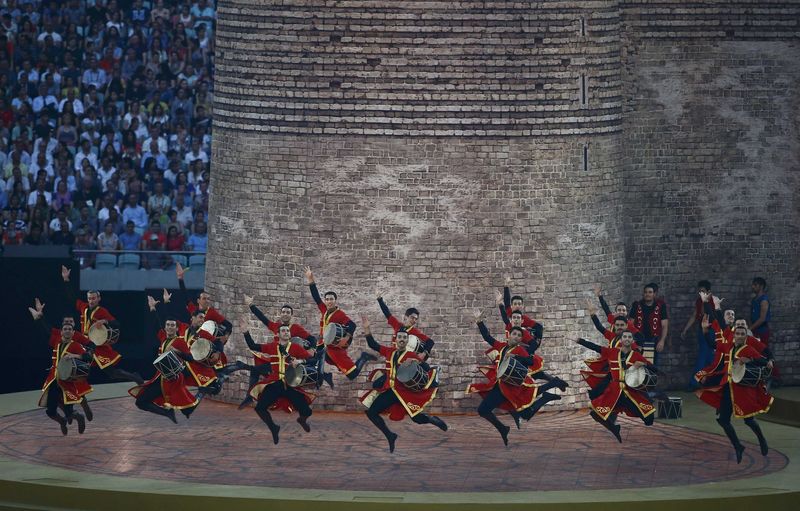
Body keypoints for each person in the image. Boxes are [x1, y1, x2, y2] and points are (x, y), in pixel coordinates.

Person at [467, 311, 563, 445]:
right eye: (514, 334)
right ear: (509, 336)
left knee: (520, 413)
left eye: (519, 335)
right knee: (487, 411)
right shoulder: (501, 346)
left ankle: (552, 384)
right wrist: (479, 321)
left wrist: (515, 357)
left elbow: (530, 361)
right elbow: (487, 337)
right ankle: (503, 428)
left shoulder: (520, 350)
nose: (517, 337)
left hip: (513, 387)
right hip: (501, 386)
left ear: (520, 339)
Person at [359, 315, 447, 453]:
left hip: (405, 393)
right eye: (399, 337)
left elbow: (426, 369)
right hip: (391, 391)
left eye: (404, 338)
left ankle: (431, 419)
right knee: (371, 413)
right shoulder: (389, 352)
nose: (401, 339)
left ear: (407, 341)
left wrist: (416, 363)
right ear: (396, 339)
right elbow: (373, 345)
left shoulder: (411, 356)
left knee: (417, 419)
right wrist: (367, 329)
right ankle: (390, 435)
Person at [695, 320, 773, 463]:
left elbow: (762, 361)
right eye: (737, 333)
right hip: (728, 387)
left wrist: (755, 361)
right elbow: (713, 344)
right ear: (734, 335)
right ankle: (738, 446)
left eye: (742, 334)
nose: (739, 336)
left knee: (748, 420)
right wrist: (705, 331)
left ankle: (761, 438)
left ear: (745, 336)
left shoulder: (749, 349)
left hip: (742, 390)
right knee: (723, 420)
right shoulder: (729, 347)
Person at [61, 265, 143, 384]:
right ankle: (75, 396)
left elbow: (116, 324)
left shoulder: (101, 311)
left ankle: (135, 377)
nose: (91, 301)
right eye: (89, 298)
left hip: (97, 346)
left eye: (93, 298)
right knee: (77, 371)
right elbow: (72, 298)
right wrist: (66, 279)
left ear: (99, 298)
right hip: (84, 343)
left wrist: (105, 321)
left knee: (112, 373)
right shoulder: (83, 307)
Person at [129, 296, 200, 422]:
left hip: (173, 381)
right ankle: (167, 413)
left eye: (173, 325)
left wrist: (177, 351)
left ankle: (203, 392)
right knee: (140, 402)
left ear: (177, 328)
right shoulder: (163, 338)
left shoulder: (180, 342)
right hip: (160, 378)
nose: (170, 327)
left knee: (188, 409)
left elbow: (191, 358)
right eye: (168, 325)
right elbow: (157, 325)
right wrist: (152, 308)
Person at [576, 331, 657, 442]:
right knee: (595, 413)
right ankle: (614, 428)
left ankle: (619, 415)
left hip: (630, 392)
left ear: (632, 341)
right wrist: (581, 341)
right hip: (614, 391)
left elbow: (653, 367)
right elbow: (596, 348)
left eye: (629, 337)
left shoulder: (636, 355)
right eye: (625, 337)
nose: (627, 339)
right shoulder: (612, 352)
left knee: (649, 420)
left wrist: (644, 363)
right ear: (621, 340)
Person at [244, 323, 315, 444]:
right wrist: (245, 332)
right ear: (278, 334)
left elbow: (312, 360)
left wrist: (300, 360)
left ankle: (302, 420)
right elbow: (253, 345)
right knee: (260, 408)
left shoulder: (296, 348)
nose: (286, 332)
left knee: (307, 411)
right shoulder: (272, 347)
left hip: (290, 384)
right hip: (274, 383)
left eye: (287, 330)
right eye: (283, 331)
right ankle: (273, 428)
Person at [29, 299, 92, 435]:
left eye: (70, 329)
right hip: (54, 381)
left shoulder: (75, 345)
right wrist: (40, 318)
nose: (67, 331)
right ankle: (62, 422)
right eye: (65, 329)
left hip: (67, 383)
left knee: (69, 412)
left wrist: (75, 356)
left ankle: (78, 417)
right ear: (61, 331)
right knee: (50, 411)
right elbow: (46, 331)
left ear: (72, 331)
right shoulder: (56, 341)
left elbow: (88, 357)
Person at [304, 266, 375, 379]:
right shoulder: (324, 309)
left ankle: (363, 358)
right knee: (316, 359)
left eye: (331, 299)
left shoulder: (340, 314)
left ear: (335, 300)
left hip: (335, 349)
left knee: (352, 375)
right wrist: (310, 279)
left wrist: (346, 338)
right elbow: (316, 297)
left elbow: (352, 325)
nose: (329, 301)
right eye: (327, 299)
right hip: (323, 345)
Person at [680, 281, 721, 390]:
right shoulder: (699, 301)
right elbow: (695, 315)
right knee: (708, 357)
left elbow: (718, 317)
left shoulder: (714, 300)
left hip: (712, 331)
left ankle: (695, 383)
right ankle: (711, 382)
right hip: (702, 331)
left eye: (703, 291)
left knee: (705, 357)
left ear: (708, 292)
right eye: (699, 291)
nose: (700, 293)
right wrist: (685, 329)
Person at [628, 282, 669, 365]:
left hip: (654, 339)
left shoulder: (660, 306)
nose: (647, 294)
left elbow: (664, 325)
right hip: (638, 339)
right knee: (638, 364)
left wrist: (662, 341)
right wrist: (632, 341)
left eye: (650, 292)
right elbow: (630, 324)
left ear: (654, 294)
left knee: (652, 365)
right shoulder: (637, 305)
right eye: (646, 292)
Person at [750, 277, 781, 384]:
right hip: (755, 331)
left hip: (762, 331)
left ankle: (776, 377)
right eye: (753, 285)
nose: (753, 287)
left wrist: (750, 329)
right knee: (757, 354)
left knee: (765, 354)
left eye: (755, 285)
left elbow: (762, 318)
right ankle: (762, 376)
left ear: (761, 286)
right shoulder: (755, 300)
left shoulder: (764, 300)